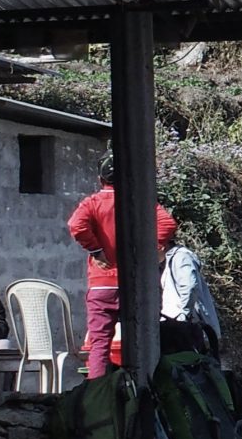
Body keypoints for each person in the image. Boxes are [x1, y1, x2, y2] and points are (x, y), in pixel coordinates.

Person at [67, 154, 177, 380]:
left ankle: (98, 397)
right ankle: (146, 390)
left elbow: (76, 225)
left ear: (100, 178)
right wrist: (146, 253)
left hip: (102, 285)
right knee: (144, 342)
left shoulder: (93, 203)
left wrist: (96, 250)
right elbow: (167, 223)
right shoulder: (139, 202)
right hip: (137, 285)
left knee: (100, 345)